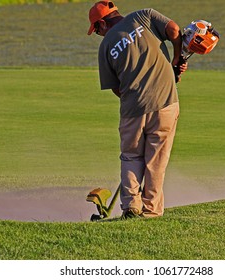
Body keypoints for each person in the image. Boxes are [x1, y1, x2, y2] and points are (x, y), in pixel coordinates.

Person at [87, 1, 187, 219]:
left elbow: (116, 89)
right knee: (156, 160)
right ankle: (150, 211)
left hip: (133, 109)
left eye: (96, 29)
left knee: (131, 157)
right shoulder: (144, 16)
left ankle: (131, 206)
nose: (98, 34)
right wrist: (176, 58)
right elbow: (174, 30)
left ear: (102, 23)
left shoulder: (105, 48)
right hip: (166, 101)